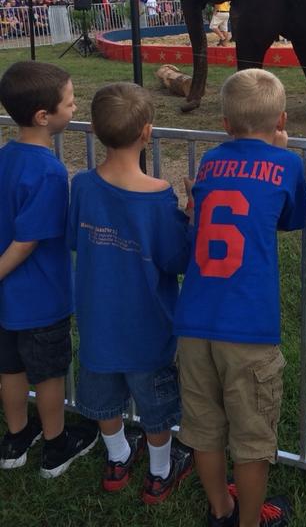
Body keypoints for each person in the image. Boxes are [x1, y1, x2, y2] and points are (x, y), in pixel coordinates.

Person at [175, 68, 306, 527]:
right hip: (248, 324)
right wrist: (280, 153)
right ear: (281, 119)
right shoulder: (287, 164)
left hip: (193, 318)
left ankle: (220, 509)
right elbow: (290, 218)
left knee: (205, 429)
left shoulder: (210, 161)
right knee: (252, 437)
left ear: (225, 124)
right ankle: (250, 521)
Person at [68, 82, 193, 503]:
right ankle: (159, 472)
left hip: (97, 323)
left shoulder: (83, 186)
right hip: (148, 329)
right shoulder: (159, 197)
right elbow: (176, 259)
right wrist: (191, 217)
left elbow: (74, 239)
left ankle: (118, 458)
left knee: (104, 403)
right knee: (156, 410)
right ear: (146, 132)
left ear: (97, 132)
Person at [0, 61, 98, 477]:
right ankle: (57, 444)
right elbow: (26, 242)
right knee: (50, 372)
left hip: (7, 301)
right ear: (45, 116)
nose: (75, 108)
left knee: (10, 367)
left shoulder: (5, 157)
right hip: (40, 296)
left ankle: (17, 436)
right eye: (71, 102)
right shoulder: (50, 172)